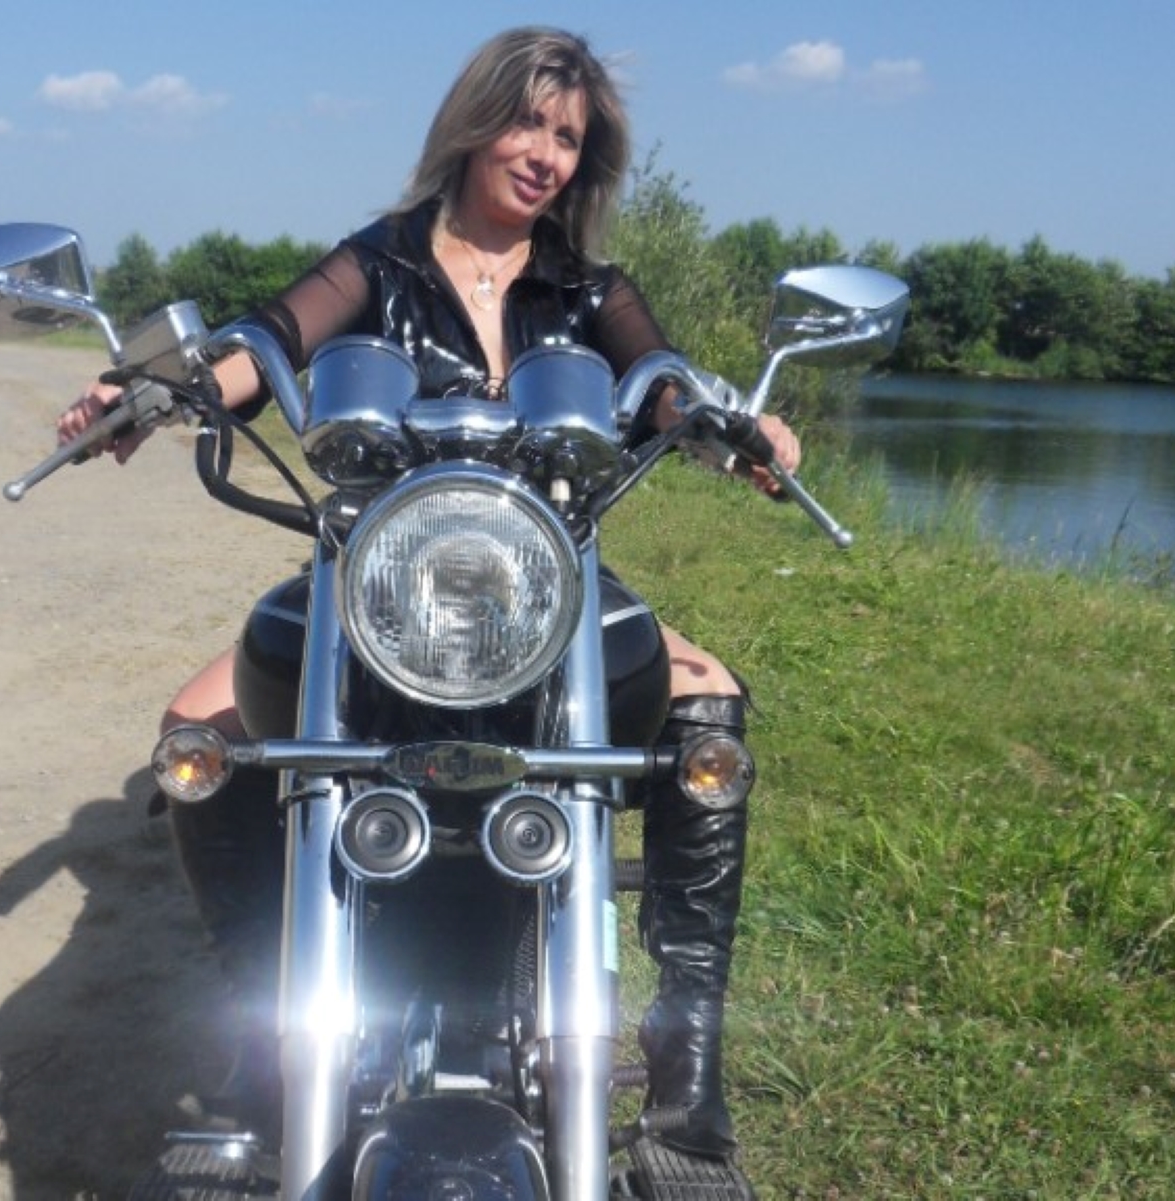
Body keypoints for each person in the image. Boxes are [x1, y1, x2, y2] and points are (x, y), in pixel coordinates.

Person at [59, 26, 798, 1160]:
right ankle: (269, 1024)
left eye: (568, 138)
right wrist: (151, 390)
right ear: (474, 120)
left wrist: (735, 424)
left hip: (543, 583)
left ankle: (685, 1053)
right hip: (380, 581)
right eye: (527, 122)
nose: (544, 153)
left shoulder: (589, 288)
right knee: (196, 722)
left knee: (710, 701)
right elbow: (266, 342)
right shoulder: (381, 261)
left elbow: (662, 384)